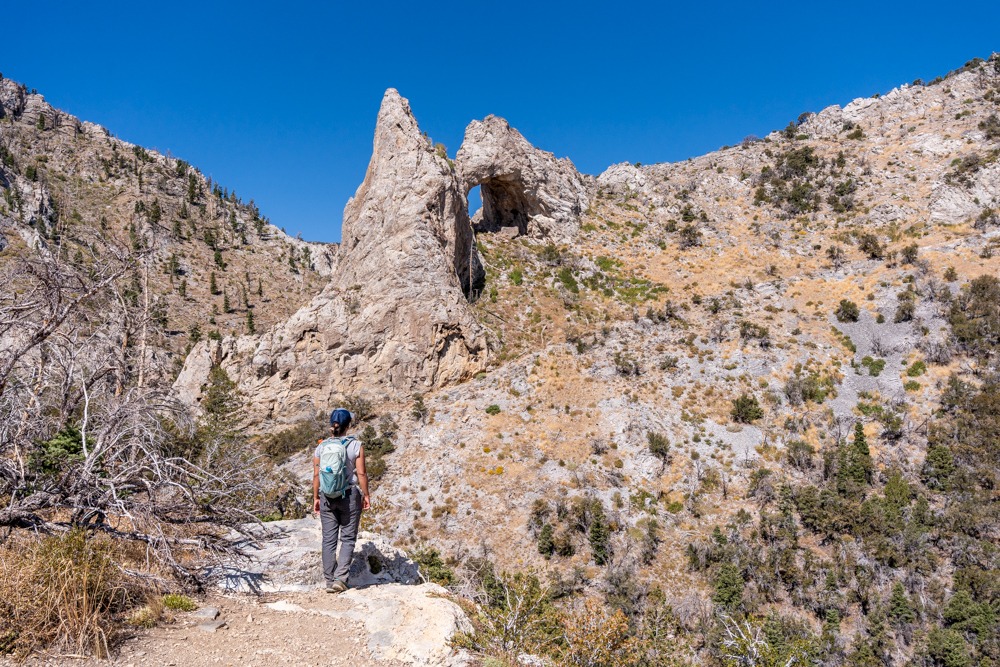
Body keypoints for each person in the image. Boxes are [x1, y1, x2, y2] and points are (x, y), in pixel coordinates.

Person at [313, 408, 371, 593]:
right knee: (347, 538)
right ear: (349, 425)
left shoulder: (321, 447)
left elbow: (316, 475)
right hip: (349, 496)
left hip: (326, 496)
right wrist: (366, 494)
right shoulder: (356, 446)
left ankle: (330, 581)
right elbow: (361, 472)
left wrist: (315, 497)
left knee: (328, 540)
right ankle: (340, 578)